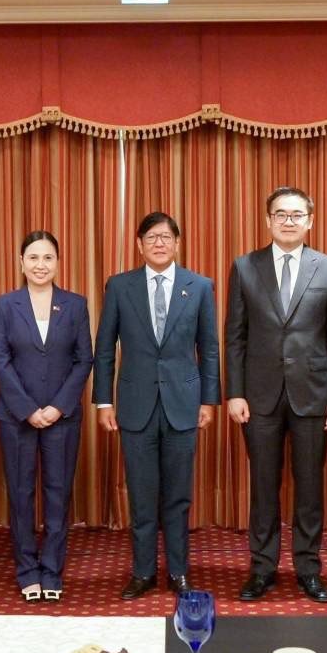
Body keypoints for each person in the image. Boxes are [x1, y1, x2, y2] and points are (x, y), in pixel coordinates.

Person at [224, 186, 327, 604]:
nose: (289, 221)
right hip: (259, 395)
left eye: (297, 215)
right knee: (263, 486)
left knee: (310, 487)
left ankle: (308, 569)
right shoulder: (245, 267)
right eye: (281, 214)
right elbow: (235, 336)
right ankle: (262, 568)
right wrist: (235, 392)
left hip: (313, 394)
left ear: (310, 221)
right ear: (268, 220)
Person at [93, 211, 220, 599]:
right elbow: (105, 349)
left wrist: (209, 400)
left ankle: (178, 571)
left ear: (177, 243)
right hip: (135, 405)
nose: (159, 243)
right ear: (139, 245)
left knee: (178, 496)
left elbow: (209, 349)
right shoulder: (120, 286)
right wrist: (103, 401)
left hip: (184, 405)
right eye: (151, 238)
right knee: (142, 494)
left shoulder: (199, 286)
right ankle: (143, 571)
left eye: (166, 237)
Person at [0, 230, 93, 602]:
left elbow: (84, 360)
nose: (40, 265)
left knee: (58, 493)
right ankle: (27, 570)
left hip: (61, 416)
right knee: (20, 494)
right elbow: (1, 361)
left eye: (48, 257)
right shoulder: (5, 305)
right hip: (16, 416)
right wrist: (28, 410)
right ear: (21, 263)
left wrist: (57, 407)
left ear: (58, 263)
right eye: (33, 257)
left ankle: (51, 569)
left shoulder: (75, 305)